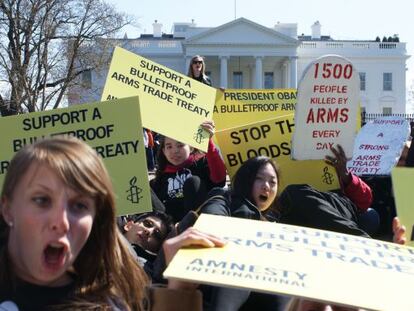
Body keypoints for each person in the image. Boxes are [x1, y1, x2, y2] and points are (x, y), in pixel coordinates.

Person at [0, 136, 225, 311]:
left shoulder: (120, 293)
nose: (61, 221)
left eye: (79, 206)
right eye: (42, 200)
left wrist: (178, 291)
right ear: (7, 208)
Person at [151, 121, 227, 222]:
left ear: (191, 147)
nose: (175, 151)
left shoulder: (201, 163)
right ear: (164, 151)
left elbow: (219, 180)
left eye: (180, 145)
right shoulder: (161, 176)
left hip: (197, 222)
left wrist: (208, 143)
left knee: (193, 182)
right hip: (170, 225)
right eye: (169, 147)